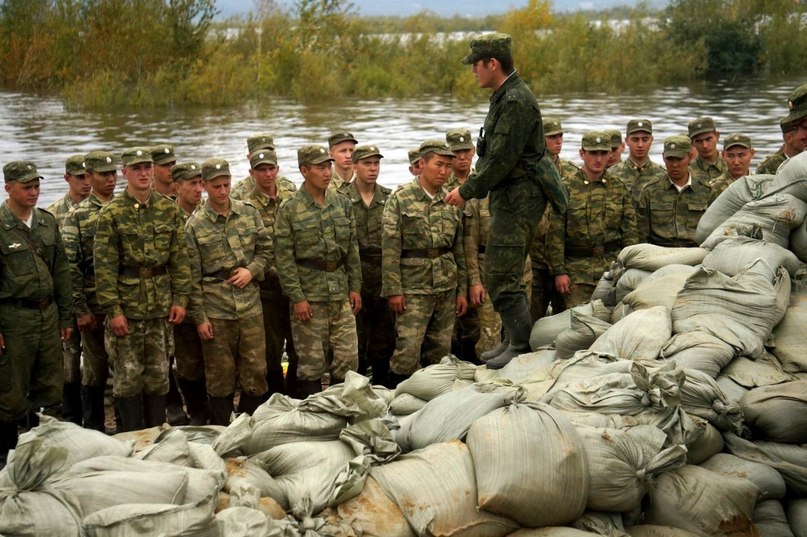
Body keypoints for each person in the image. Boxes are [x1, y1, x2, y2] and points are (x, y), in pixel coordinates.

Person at [444, 32, 567, 369]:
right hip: (510, 198)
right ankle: (514, 341)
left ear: (493, 64)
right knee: (501, 274)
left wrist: (465, 190)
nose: (473, 72)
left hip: (520, 200)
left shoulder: (515, 101)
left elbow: (500, 160)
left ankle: (520, 345)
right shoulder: (504, 96)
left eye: (476, 65)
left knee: (502, 275)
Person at [94, 147, 191, 431]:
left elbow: (180, 260)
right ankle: (132, 435)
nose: (143, 173)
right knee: (127, 376)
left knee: (160, 374)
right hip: (128, 307)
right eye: (136, 168)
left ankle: (157, 432)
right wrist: (113, 311)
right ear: (125, 173)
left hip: (161, 306)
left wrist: (180, 299)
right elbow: (104, 269)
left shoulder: (169, 210)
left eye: (147, 167)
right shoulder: (112, 214)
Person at [186, 158, 272, 424]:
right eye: (216, 186)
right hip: (216, 309)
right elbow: (191, 278)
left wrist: (252, 270)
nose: (223, 191)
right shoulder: (195, 225)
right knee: (220, 374)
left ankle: (249, 422)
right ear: (204, 186)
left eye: (226, 184)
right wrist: (200, 318)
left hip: (249, 306)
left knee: (256, 370)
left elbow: (266, 249)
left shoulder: (248, 213)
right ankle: (222, 425)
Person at [0, 160, 73, 467]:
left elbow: (61, 271)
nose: (33, 192)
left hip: (48, 315)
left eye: (36, 186)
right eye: (26, 187)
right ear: (9, 188)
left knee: (49, 385)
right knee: (11, 390)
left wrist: (66, 316)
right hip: (14, 317)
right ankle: (7, 456)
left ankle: (43, 452)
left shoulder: (46, 222)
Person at [274, 145, 362, 396]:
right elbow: (284, 259)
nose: (327, 172)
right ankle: (312, 411)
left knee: (347, 357)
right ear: (304, 171)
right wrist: (297, 297)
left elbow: (352, 249)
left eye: (328, 166)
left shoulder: (341, 203)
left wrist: (355, 287)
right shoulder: (290, 208)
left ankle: (340, 405)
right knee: (311, 363)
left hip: (339, 290)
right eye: (320, 167)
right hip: (309, 294)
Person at [384, 140, 467, 385]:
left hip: (445, 285)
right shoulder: (400, 198)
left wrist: (461, 290)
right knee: (407, 351)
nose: (444, 171)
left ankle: (432, 400)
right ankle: (396, 398)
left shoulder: (452, 200)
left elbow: (459, 248)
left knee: (440, 350)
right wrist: (394, 290)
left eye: (448, 167)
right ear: (422, 164)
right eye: (439, 165)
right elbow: (390, 248)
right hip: (413, 287)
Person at [547, 131, 638, 308]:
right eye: (593, 153)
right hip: (576, 273)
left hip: (611, 269)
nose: (598, 159)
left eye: (603, 153)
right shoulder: (566, 187)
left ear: (610, 154)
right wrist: (559, 272)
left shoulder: (618, 187)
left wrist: (629, 268)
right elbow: (555, 235)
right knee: (578, 325)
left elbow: (630, 232)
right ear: (582, 153)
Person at [61, 150, 118, 431]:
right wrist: (80, 309)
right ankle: (93, 425)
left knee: (125, 367)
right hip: (94, 306)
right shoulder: (77, 216)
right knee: (95, 368)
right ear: (90, 177)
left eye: (113, 173)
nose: (110, 179)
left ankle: (126, 423)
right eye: (103, 174)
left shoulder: (123, 207)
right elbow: (70, 267)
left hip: (125, 303)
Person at [242, 149, 300, 398]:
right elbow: (250, 251)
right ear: (252, 173)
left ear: (277, 169)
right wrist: (280, 273)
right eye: (261, 170)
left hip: (296, 287)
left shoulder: (292, 197)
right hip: (267, 290)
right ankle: (276, 398)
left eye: (271, 168)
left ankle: (299, 396)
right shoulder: (246, 207)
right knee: (271, 350)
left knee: (300, 347)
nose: (267, 174)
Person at [342, 145, 395, 384]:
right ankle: (356, 385)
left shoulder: (389, 197)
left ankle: (382, 385)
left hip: (383, 271)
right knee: (355, 335)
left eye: (376, 164)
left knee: (384, 335)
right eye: (367, 163)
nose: (373, 169)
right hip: (355, 271)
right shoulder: (341, 199)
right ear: (354, 166)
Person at [47, 154, 89, 425]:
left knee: (100, 360)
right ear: (67, 179)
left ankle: (93, 414)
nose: (86, 183)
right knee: (70, 360)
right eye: (79, 177)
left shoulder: (102, 209)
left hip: (96, 295)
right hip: (67, 298)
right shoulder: (53, 214)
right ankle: (71, 417)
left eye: (88, 176)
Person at [169, 162, 209, 424]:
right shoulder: (169, 217)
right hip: (181, 299)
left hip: (209, 298)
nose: (198, 189)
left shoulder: (208, 213)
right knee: (188, 360)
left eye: (200, 183)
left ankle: (210, 409)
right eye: (191, 184)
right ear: (177, 187)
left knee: (211, 357)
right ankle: (195, 411)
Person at [637, 135, 727, 247]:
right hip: (659, 251)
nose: (675, 165)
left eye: (679, 159)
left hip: (695, 250)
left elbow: (716, 229)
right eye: (670, 159)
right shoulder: (650, 191)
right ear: (663, 158)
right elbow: (641, 234)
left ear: (690, 156)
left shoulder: (707, 191)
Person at [529, 116, 574, 323]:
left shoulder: (572, 172)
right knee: (532, 315)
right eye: (552, 137)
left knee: (563, 317)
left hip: (562, 259)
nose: (558, 141)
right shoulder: (529, 172)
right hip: (535, 257)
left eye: (560, 136)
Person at [445, 128, 480, 362]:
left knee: (476, 324)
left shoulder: (483, 182)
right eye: (455, 152)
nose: (461, 156)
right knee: (450, 325)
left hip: (479, 263)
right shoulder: (438, 184)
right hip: (451, 265)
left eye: (466, 150)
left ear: (474, 150)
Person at [608, 119, 667, 206]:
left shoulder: (664, 176)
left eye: (645, 140)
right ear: (627, 141)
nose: (640, 145)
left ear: (651, 140)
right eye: (635, 140)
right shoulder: (611, 175)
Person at [688, 116, 727, 183]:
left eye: (708, 139)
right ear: (692, 143)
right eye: (699, 141)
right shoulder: (687, 172)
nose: (705, 146)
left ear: (717, 136)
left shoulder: (732, 166)